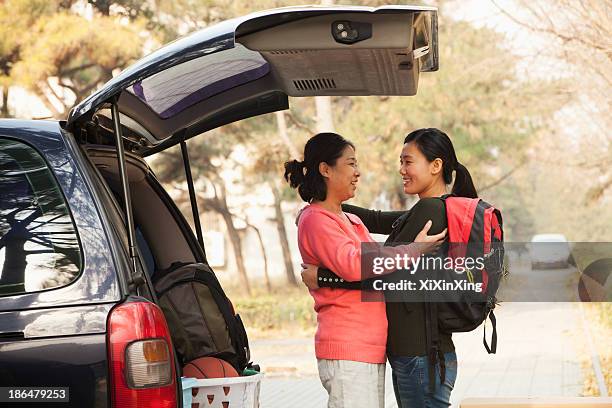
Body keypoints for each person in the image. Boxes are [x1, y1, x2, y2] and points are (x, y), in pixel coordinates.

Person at [301, 128, 479, 408]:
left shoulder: (429, 212)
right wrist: (325, 204)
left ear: (436, 166)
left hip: (419, 351)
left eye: (408, 162)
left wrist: (323, 276)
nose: (402, 170)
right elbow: (376, 220)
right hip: (417, 350)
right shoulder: (430, 210)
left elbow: (387, 273)